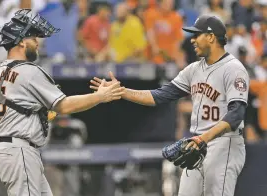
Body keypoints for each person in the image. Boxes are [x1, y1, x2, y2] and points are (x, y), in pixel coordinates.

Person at [91, 15, 249, 196]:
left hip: (224, 143)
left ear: (211, 37)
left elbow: (236, 114)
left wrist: (202, 139)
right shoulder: (193, 69)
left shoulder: (234, 69)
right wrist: (122, 92)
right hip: (197, 143)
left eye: (197, 35)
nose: (192, 40)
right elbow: (160, 96)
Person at [0, 9, 124, 196]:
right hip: (19, 149)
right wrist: (100, 96)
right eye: (32, 38)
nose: (37, 43)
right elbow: (64, 106)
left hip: (6, 149)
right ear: (21, 41)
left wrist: (28, 112)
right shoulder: (29, 71)